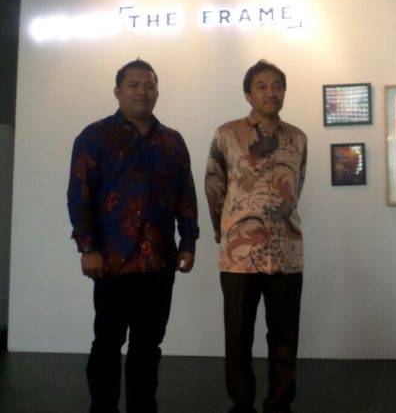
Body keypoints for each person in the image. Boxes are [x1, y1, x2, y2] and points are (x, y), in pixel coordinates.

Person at [67, 59, 199, 413]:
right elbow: (79, 195)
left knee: (148, 346)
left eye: (150, 85)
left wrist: (188, 242)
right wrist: (87, 248)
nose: (143, 91)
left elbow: (186, 195)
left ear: (157, 91)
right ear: (118, 91)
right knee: (107, 343)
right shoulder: (95, 136)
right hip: (112, 261)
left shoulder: (172, 141)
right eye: (134, 85)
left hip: (159, 261)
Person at [205, 59, 307, 413]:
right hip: (239, 255)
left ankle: (279, 404)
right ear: (248, 94)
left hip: (287, 252)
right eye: (262, 86)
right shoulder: (227, 134)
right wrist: (224, 230)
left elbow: (296, 187)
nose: (271, 92)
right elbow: (214, 186)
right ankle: (241, 404)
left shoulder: (298, 138)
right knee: (238, 338)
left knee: (284, 338)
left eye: (277, 85)